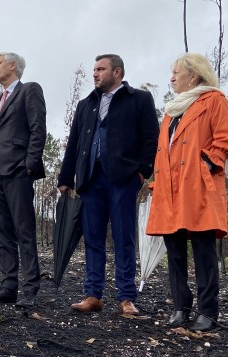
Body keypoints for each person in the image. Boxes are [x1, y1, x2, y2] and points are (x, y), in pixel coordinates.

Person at [57, 54, 158, 315]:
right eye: (94, 69)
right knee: (93, 238)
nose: (95, 74)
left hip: (123, 180)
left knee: (124, 238)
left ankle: (126, 297)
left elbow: (151, 138)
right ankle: (93, 295)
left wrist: (142, 173)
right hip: (90, 180)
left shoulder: (139, 99)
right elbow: (74, 143)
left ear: (117, 72)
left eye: (100, 69)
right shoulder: (86, 104)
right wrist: (66, 178)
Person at [146, 52, 228, 332]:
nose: (171, 77)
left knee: (203, 250)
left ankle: (208, 311)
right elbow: (165, 152)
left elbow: (226, 139)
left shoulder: (214, 100)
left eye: (176, 72)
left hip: (198, 188)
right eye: (171, 73)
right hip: (169, 190)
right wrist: (157, 183)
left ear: (194, 75)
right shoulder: (171, 110)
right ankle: (180, 307)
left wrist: (204, 165)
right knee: (173, 252)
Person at [0, 52, 46, 308]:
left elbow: (38, 128)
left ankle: (30, 288)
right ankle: (8, 286)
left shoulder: (29, 90)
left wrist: (29, 165)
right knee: (3, 232)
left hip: (18, 170)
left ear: (13, 65)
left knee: (24, 230)